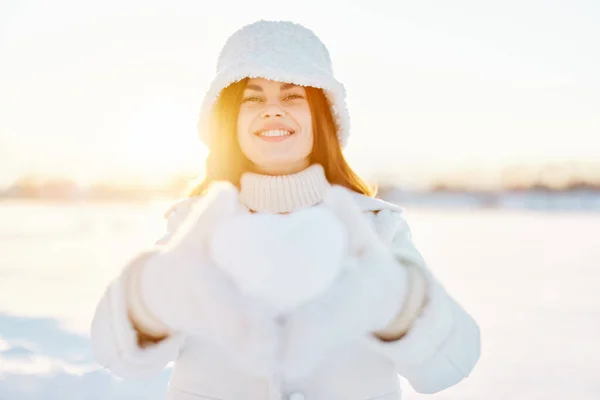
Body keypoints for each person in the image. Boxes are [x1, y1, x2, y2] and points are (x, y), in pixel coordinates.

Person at [90, 20, 481, 400]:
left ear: (323, 117)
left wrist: (400, 303)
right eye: (253, 98)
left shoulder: (375, 229)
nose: (272, 110)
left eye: (293, 96)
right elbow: (115, 356)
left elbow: (449, 366)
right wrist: (150, 299)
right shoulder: (192, 228)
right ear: (228, 120)